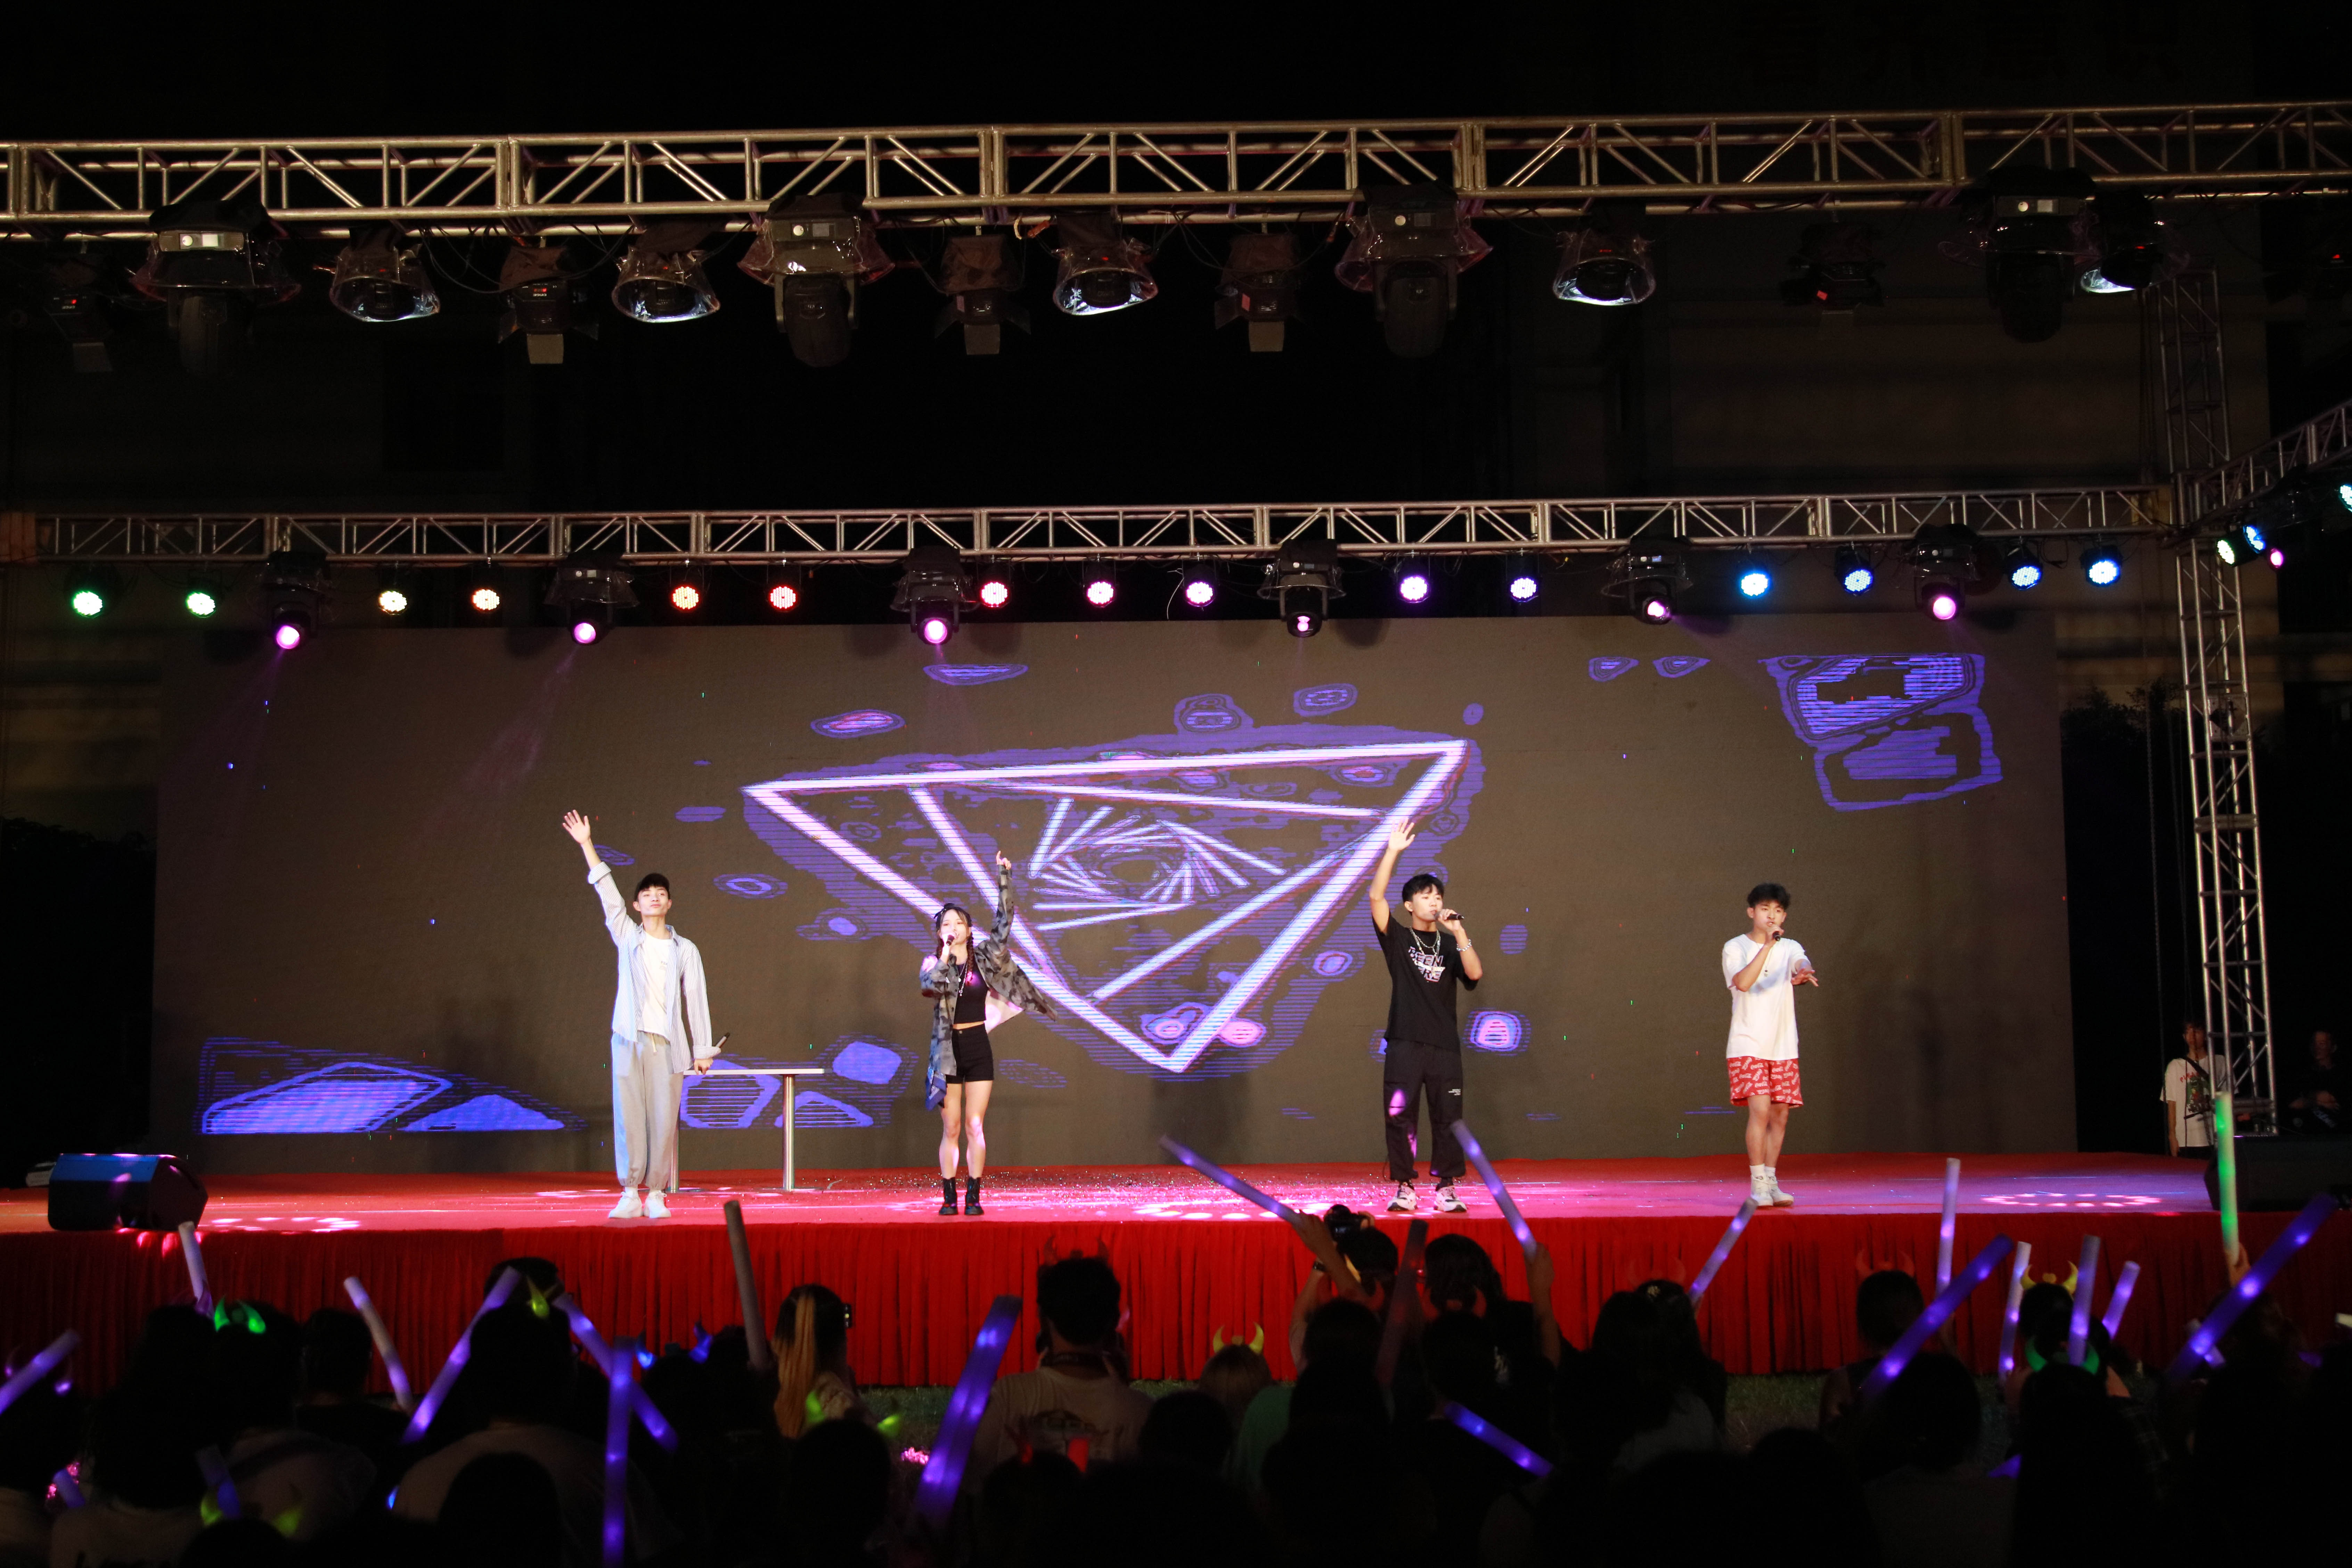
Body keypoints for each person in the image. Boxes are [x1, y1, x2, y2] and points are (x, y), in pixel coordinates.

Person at [561, 809, 716, 1220]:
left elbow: (696, 999)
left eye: (661, 893)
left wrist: (703, 1050)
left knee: (663, 1121)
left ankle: (657, 1194)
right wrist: (587, 844)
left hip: (667, 1045)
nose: (654, 898)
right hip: (629, 1038)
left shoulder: (685, 949)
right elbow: (607, 894)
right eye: (647, 894)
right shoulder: (628, 936)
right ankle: (630, 1192)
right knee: (629, 1116)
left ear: (670, 903)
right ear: (636, 904)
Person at [920, 850, 1053, 1218]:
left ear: (968, 930)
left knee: (975, 1125)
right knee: (952, 1127)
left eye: (959, 922)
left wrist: (1005, 878)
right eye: (947, 924)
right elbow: (931, 986)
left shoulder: (983, 958)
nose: (953, 927)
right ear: (941, 932)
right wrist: (945, 955)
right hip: (947, 1051)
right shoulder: (933, 963)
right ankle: (949, 1197)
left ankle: (974, 1195)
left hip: (977, 1045)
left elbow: (1004, 922)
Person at [1367, 818, 1485, 1214]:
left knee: (1449, 1117)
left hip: (1444, 1046)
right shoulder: (1399, 938)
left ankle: (1447, 1188)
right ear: (1410, 905)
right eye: (1426, 896)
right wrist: (1393, 851)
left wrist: (1459, 933)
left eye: (1438, 897)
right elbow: (1376, 897)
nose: (1434, 902)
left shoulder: (1450, 945)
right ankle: (1405, 1187)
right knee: (1401, 1116)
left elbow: (1475, 974)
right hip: (1405, 1043)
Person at [969, 1256, 1153, 1476]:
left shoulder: (1007, 1397)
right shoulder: (1142, 1413)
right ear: (1114, 1321)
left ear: (1044, 1319)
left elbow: (974, 1485)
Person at [1722, 881, 1817, 1208]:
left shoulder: (1790, 947)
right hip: (1748, 1042)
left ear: (1784, 915)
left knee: (1780, 1116)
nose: (1772, 916)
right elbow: (1743, 983)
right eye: (1765, 909)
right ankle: (1758, 1183)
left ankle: (1772, 1180)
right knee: (1760, 1110)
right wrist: (1766, 946)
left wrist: (1804, 971)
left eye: (1778, 911)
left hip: (1783, 1045)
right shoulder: (1735, 947)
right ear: (1752, 912)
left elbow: (1801, 962)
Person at [771, 1284, 870, 1438]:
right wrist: (850, 1394)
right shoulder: (841, 1409)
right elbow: (877, 1449)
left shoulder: (765, 1394)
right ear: (841, 1343)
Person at [2164, 1020, 2216, 1158]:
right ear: (2184, 1037)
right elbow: (2172, 1105)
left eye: (2196, 1031)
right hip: (2186, 1140)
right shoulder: (2175, 1066)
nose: (2192, 1036)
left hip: (2216, 1136)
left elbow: (2229, 1099)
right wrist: (2172, 1136)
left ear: (2205, 1034)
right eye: (2188, 1032)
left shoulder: (2219, 1062)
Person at [2285, 1027, 2343, 1135]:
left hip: (2335, 1135)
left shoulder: (2341, 1074)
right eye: (2314, 1044)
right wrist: (2320, 1103)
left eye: (2322, 1044)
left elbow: (2330, 1097)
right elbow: (2293, 1103)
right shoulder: (2303, 1074)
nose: (2317, 1048)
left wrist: (2307, 1097)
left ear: (2333, 1048)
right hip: (2305, 1134)